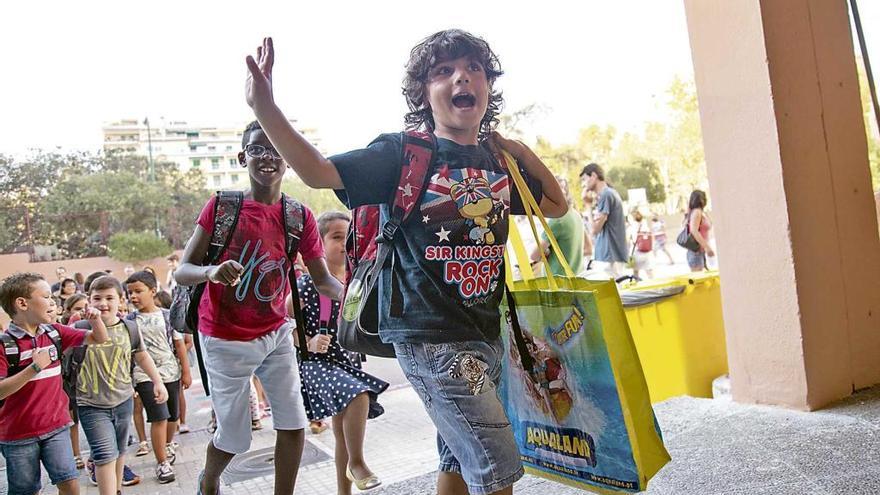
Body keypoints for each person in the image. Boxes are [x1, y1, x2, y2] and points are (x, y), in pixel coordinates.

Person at [244, 30, 566, 495]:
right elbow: (317, 171)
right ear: (424, 92)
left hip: (485, 331)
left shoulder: (496, 163)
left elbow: (555, 204)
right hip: (430, 336)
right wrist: (265, 108)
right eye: (444, 71)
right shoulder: (403, 153)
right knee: (497, 464)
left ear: (488, 86)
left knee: (458, 460)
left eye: (474, 68)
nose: (462, 77)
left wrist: (517, 150)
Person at [174, 120, 344, 495]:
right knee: (234, 438)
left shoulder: (298, 216)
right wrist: (212, 271)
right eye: (257, 149)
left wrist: (351, 297)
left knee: (294, 423)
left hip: (274, 334)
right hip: (223, 338)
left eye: (275, 150)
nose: (267, 156)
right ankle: (210, 477)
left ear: (287, 161)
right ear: (242, 157)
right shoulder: (222, 207)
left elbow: (322, 280)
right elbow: (182, 271)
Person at [295, 211, 389, 493]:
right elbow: (284, 321)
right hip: (317, 365)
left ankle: (343, 490)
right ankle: (358, 462)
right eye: (336, 237)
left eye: (348, 237)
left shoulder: (356, 283)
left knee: (341, 435)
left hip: (345, 364)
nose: (343, 243)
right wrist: (306, 341)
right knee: (359, 394)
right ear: (318, 244)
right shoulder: (307, 284)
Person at [0, 272, 108, 495]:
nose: (53, 302)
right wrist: (34, 367)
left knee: (69, 482)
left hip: (57, 426)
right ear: (22, 303)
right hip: (18, 436)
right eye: (47, 297)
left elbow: (99, 338)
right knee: (26, 490)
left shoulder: (54, 332)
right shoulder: (5, 345)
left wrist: (96, 320)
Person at [75, 276, 168, 495]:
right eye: (97, 298)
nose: (103, 303)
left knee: (119, 451)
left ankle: (116, 490)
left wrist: (157, 382)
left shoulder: (130, 328)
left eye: (109, 298)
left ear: (121, 301)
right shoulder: (79, 327)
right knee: (104, 455)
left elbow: (142, 356)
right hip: (90, 404)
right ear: (89, 300)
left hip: (123, 400)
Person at [125, 270, 191, 483]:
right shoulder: (129, 321)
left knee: (173, 417)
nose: (133, 296)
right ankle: (162, 463)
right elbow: (127, 352)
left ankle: (167, 444)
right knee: (159, 418)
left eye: (138, 291)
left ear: (153, 291)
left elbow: (179, 344)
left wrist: (186, 372)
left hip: (171, 372)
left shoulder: (166, 315)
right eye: (130, 293)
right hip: (144, 376)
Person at [580, 163, 628, 278]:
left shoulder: (606, 194)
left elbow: (595, 229)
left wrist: (587, 205)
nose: (584, 184)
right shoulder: (609, 193)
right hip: (609, 255)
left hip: (609, 256)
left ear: (593, 176)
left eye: (584, 179)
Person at [529, 176, 584, 275]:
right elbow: (588, 248)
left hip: (558, 282)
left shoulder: (558, 220)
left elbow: (534, 255)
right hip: (576, 278)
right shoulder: (576, 215)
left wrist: (545, 253)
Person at [685, 190, 715, 272]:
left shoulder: (699, 212)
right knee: (699, 282)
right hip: (696, 253)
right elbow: (694, 230)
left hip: (699, 252)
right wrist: (707, 247)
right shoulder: (697, 212)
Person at [631, 210, 654, 280]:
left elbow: (633, 239)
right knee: (649, 271)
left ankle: (637, 284)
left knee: (636, 271)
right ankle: (653, 284)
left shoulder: (633, 226)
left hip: (637, 251)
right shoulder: (646, 225)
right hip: (647, 251)